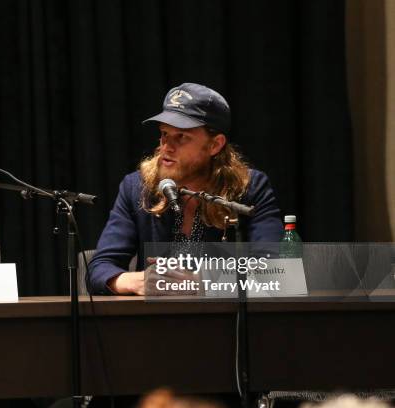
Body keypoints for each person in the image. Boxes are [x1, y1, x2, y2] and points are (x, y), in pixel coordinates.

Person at [88, 83, 283, 295]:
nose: (166, 147)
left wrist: (202, 281)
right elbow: (99, 268)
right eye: (164, 134)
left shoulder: (248, 187)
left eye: (181, 137)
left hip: (225, 321)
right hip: (155, 323)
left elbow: (274, 268)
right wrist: (138, 282)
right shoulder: (137, 187)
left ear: (215, 145)